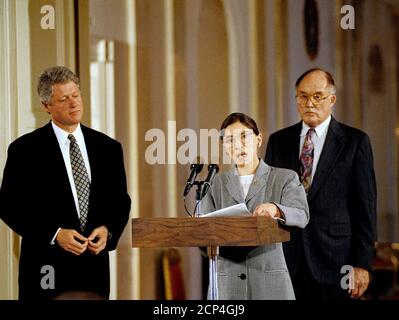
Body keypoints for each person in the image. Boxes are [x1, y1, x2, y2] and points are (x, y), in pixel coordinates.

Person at [0, 66, 131, 300]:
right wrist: (55, 233)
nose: (74, 104)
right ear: (46, 106)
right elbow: (9, 206)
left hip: (94, 270)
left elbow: (120, 202)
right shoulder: (24, 150)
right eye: (63, 99)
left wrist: (107, 230)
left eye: (76, 95)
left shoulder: (108, 148)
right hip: (45, 269)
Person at [265, 68, 377, 300]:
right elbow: (267, 197)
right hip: (288, 260)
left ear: (332, 99)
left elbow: (365, 207)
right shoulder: (279, 141)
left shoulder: (355, 142)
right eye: (303, 96)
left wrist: (362, 264)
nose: (310, 103)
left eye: (318, 96)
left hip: (337, 262)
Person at [200, 112, 309, 300]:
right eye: (230, 140)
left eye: (244, 137)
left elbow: (301, 214)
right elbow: (202, 236)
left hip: (269, 282)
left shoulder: (284, 178)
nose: (238, 145)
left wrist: (276, 209)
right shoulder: (214, 184)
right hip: (227, 284)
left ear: (258, 140)